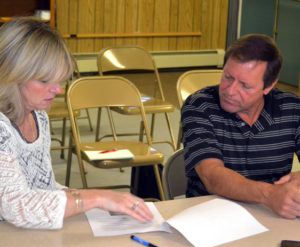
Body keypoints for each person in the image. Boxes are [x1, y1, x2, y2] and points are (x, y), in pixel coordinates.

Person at [0, 17, 153, 229]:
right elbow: (17, 206)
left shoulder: (38, 117)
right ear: (11, 77)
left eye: (58, 79)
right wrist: (96, 198)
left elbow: (44, 188)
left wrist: (96, 199)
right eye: (44, 81)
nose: (58, 90)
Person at [181, 33, 300, 219]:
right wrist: (270, 195)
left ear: (268, 87)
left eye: (245, 85)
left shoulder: (292, 108)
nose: (230, 91)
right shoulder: (200, 105)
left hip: (272, 217)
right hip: (211, 218)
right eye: (228, 77)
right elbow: (212, 175)